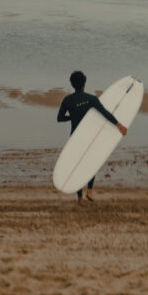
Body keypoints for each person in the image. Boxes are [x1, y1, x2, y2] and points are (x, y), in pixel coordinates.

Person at [57, 71, 128, 206]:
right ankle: (89, 191)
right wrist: (119, 125)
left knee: (77, 167)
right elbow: (105, 113)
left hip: (74, 138)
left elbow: (59, 119)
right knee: (92, 164)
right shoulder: (91, 99)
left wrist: (73, 116)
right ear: (84, 83)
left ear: (72, 84)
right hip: (89, 137)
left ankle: (79, 198)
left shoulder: (67, 100)